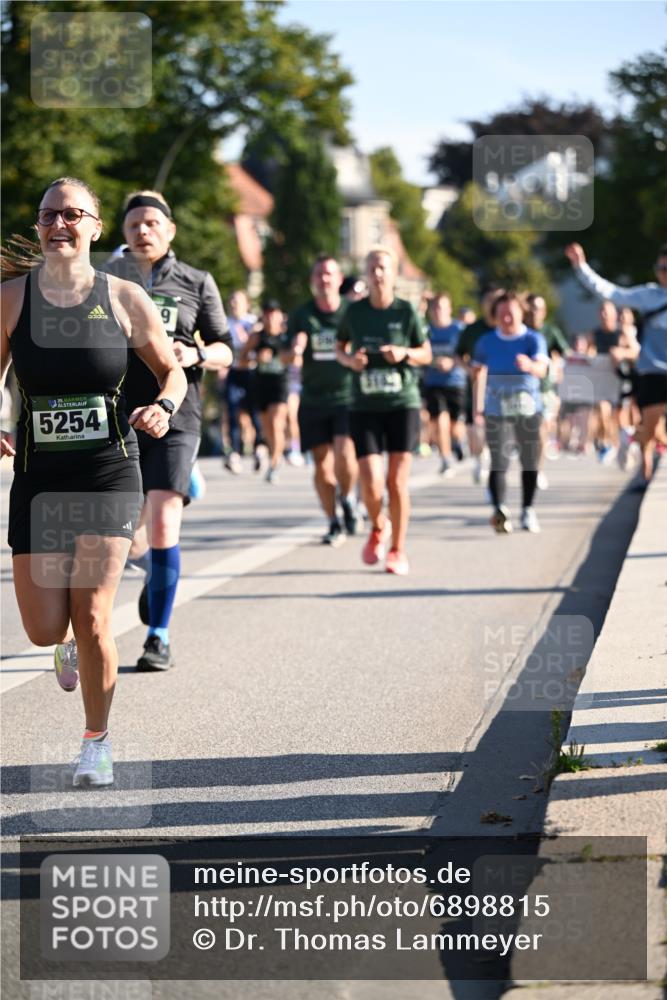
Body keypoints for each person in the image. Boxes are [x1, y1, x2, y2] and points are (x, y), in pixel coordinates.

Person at [0, 177, 186, 787]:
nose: (60, 223)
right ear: (38, 226)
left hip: (109, 468)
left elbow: (171, 372)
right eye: (49, 214)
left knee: (95, 616)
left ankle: (96, 745)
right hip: (38, 474)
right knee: (44, 627)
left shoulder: (127, 297)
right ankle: (65, 642)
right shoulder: (11, 300)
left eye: (73, 214)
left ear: (96, 227)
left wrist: (163, 405)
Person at [107, 189, 232, 671]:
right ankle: (151, 571)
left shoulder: (196, 281)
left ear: (170, 230)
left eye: (152, 223)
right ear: (122, 231)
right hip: (119, 413)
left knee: (161, 524)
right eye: (134, 223)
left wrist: (196, 354)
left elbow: (227, 348)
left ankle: (158, 636)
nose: (143, 230)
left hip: (176, 413)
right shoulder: (106, 279)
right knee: (128, 537)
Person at [336, 246, 432, 575]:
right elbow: (340, 348)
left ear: (393, 275)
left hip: (402, 404)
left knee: (396, 482)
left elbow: (426, 353)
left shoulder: (406, 312)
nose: (377, 274)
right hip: (365, 405)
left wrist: (403, 353)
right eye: (372, 268)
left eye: (383, 269)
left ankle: (397, 550)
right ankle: (379, 524)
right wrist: (352, 361)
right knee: (371, 483)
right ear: (366, 273)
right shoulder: (354, 312)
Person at [565, 243, 667, 486]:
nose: (665, 272)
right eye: (662, 268)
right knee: (650, 428)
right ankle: (640, 451)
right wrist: (581, 267)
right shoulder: (649, 295)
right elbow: (611, 293)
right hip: (652, 371)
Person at [287, 254, 359, 546]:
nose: (324, 279)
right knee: (322, 465)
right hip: (314, 398)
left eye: (329, 274)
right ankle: (333, 521)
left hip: (347, 396)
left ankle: (349, 496)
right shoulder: (302, 315)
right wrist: (294, 349)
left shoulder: (352, 313)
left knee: (344, 455)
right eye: (319, 274)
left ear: (339, 279)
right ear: (312, 281)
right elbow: (284, 355)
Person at [471, 291, 549, 534]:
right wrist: (477, 409)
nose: (506, 317)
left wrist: (530, 366)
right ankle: (500, 510)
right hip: (497, 409)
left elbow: (543, 369)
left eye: (511, 312)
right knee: (499, 461)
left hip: (528, 409)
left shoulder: (533, 339)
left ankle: (527, 509)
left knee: (529, 461)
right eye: (501, 313)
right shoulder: (486, 341)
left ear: (520, 313)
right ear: (495, 315)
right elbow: (477, 374)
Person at [457, 287, 506, 484]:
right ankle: (479, 458)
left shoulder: (506, 328)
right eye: (489, 302)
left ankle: (495, 471)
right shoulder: (472, 329)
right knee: (474, 430)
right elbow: (459, 354)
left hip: (501, 387)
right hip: (476, 386)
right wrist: (468, 369)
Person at [239, 299, 289, 484]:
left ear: (280, 316)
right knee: (267, 428)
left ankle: (275, 464)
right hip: (260, 385)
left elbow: (296, 358)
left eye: (274, 314)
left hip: (280, 384)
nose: (270, 318)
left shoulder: (286, 336)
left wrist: (287, 357)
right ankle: (275, 454)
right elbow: (242, 360)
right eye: (267, 314)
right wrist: (255, 357)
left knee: (277, 424)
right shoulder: (256, 337)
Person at [524, 293, 570, 485]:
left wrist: (556, 365)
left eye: (539, 308)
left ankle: (538, 471)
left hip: (544, 389)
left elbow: (566, 353)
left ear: (544, 312)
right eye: (532, 308)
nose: (535, 312)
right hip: (522, 390)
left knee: (541, 431)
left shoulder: (550, 331)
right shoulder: (520, 333)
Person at [423, 293, 467, 476]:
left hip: (455, 382)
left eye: (442, 307)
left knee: (455, 426)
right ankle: (445, 459)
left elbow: (467, 354)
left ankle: (456, 442)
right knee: (440, 421)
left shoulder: (459, 329)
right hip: (433, 382)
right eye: (435, 307)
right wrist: (432, 362)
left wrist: (452, 363)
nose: (438, 311)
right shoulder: (425, 330)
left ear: (449, 310)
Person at [220, 289, 262, 474]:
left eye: (238, 301)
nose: (234, 304)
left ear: (246, 304)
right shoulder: (225, 323)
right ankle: (234, 453)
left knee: (254, 413)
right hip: (233, 372)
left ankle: (259, 448)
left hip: (251, 373)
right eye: (232, 301)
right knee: (232, 411)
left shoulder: (253, 323)